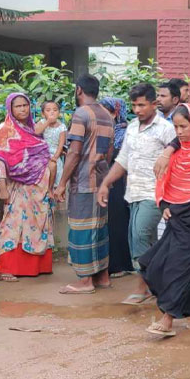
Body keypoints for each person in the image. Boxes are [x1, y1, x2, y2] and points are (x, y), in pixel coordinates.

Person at [139, 103, 190, 336]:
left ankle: (168, 317)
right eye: (176, 127)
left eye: (184, 126)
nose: (179, 132)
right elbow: (164, 181)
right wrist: (164, 204)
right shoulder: (176, 152)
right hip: (177, 216)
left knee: (178, 267)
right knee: (155, 262)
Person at [98, 83, 175, 304]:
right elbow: (123, 160)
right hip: (133, 193)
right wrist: (106, 183)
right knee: (144, 240)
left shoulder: (166, 129)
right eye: (134, 105)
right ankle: (156, 285)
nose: (137, 109)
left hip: (155, 194)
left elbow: (176, 160)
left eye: (142, 105)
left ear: (154, 104)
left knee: (140, 235)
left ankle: (142, 287)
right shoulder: (131, 127)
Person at [53, 74, 115, 294]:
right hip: (101, 181)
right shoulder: (107, 115)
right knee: (99, 229)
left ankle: (85, 280)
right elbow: (109, 152)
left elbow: (74, 151)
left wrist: (61, 184)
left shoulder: (81, 114)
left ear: (79, 90)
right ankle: (102, 277)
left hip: (82, 182)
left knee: (81, 230)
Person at [0, 92, 55, 281]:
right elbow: (0, 160)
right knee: (13, 226)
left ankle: (37, 267)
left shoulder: (31, 129)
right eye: (17, 106)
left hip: (38, 189)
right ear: (10, 109)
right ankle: (8, 268)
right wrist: (2, 187)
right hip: (16, 187)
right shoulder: (4, 130)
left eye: (25, 105)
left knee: (38, 226)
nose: (22, 109)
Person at [100, 96, 134, 278]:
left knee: (117, 221)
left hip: (119, 181)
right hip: (106, 179)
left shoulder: (125, 131)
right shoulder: (105, 130)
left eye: (106, 111)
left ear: (115, 112)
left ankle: (120, 264)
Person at [40, 100, 67, 187]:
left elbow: (61, 144)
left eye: (55, 110)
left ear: (59, 113)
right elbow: (36, 132)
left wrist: (55, 157)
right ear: (43, 114)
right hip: (42, 154)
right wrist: (47, 122)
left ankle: (54, 194)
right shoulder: (42, 123)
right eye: (48, 110)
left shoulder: (62, 127)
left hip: (55, 155)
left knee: (56, 176)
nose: (52, 112)